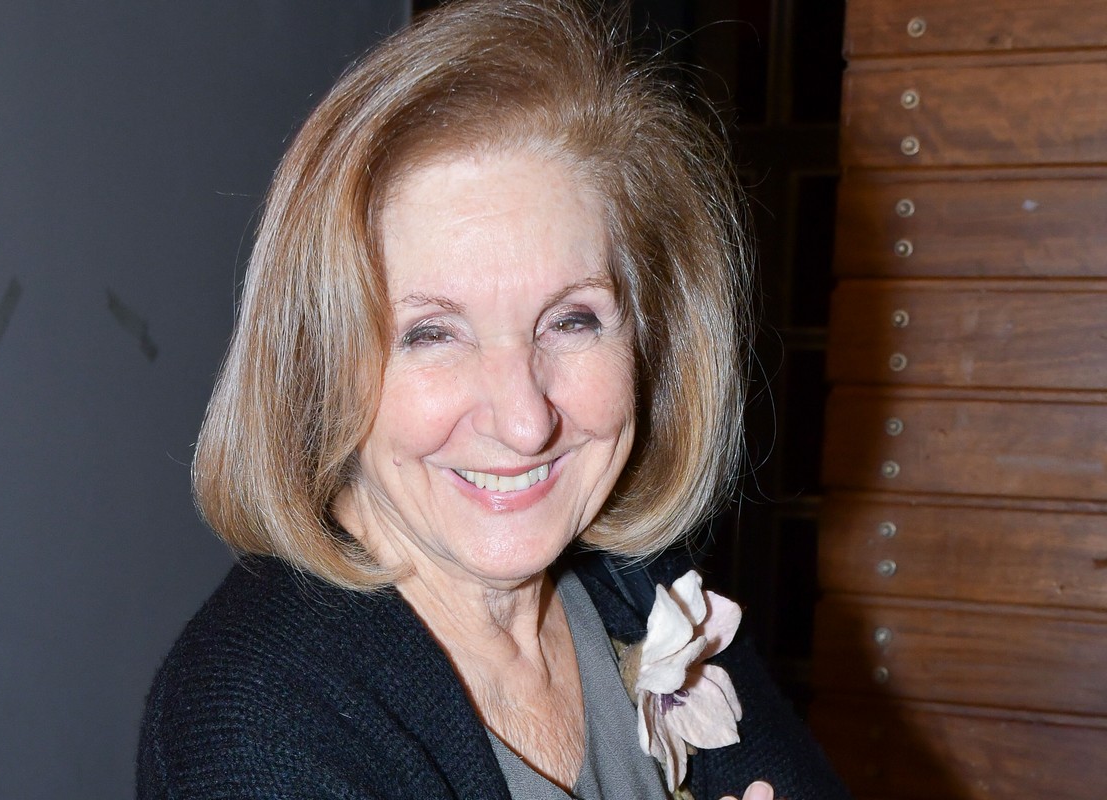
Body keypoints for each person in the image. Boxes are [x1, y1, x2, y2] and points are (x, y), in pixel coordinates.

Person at [137, 1, 851, 798]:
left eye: (572, 320)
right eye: (432, 334)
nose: (524, 422)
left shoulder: (637, 586)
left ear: (651, 340)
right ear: (319, 367)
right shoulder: (253, 722)